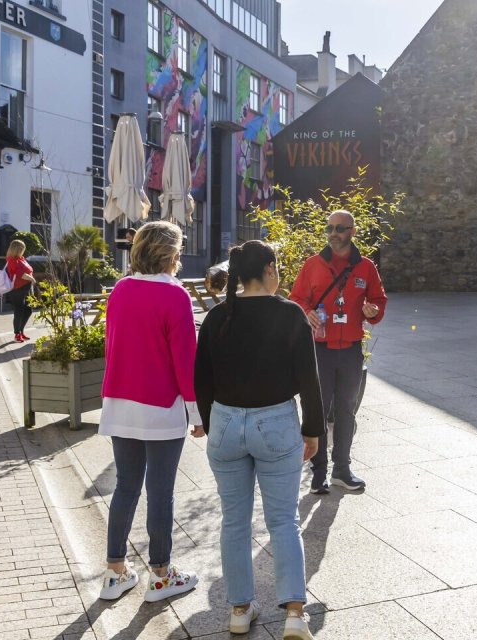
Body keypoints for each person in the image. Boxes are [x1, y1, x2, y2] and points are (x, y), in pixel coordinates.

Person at [195, 240, 322, 639]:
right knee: (284, 519)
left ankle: (238, 608)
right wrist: (313, 429)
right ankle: (295, 614)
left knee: (234, 521)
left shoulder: (217, 317)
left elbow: (202, 381)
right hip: (276, 423)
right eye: (279, 265)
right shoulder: (289, 315)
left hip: (226, 424)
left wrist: (213, 422)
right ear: (269, 269)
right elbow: (308, 380)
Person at [96, 221, 202, 603]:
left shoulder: (120, 290)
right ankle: (161, 575)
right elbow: (185, 362)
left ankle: (115, 573)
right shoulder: (176, 296)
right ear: (171, 253)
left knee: (125, 487)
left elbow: (114, 346)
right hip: (162, 408)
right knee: (160, 492)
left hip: (120, 403)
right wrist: (197, 414)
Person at [288, 210, 387, 494]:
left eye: (340, 228)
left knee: (346, 410)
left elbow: (378, 299)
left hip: (351, 352)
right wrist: (306, 312)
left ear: (352, 232)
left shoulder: (366, 267)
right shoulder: (312, 265)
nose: (333, 232)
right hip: (319, 350)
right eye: (330, 227)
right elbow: (296, 298)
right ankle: (318, 472)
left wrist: (373, 311)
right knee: (317, 410)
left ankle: (342, 469)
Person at [3, 239, 36, 342]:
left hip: (26, 289)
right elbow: (19, 273)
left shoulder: (21, 258)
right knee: (19, 311)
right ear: (17, 249)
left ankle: (21, 331)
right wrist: (31, 278)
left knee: (28, 310)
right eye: (22, 249)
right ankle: (17, 334)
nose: (23, 250)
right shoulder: (12, 260)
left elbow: (28, 270)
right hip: (17, 289)